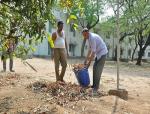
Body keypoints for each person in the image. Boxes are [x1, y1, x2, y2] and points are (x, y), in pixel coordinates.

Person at [82, 28, 108, 95]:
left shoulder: (92, 38)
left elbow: (93, 53)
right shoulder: (89, 38)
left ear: (87, 33)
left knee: (98, 70)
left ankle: (96, 87)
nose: (84, 37)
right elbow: (90, 50)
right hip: (98, 54)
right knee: (94, 68)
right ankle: (94, 85)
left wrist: (88, 64)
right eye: (83, 35)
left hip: (102, 53)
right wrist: (85, 60)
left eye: (85, 35)